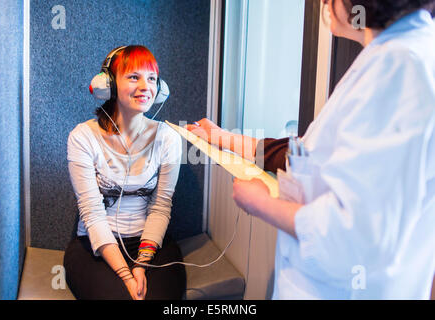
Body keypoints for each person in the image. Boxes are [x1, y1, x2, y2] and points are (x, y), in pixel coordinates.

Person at [187, 0, 435, 299]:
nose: (323, 5)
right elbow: (302, 156)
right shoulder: (396, 57)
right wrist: (222, 137)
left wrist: (262, 203)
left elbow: (354, 234)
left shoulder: (399, 68)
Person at [64, 45, 186, 300]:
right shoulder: (83, 137)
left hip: (150, 245)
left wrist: (141, 265)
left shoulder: (168, 138)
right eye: (134, 77)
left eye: (151, 78)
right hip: (96, 247)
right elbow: (91, 212)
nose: (146, 86)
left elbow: (161, 207)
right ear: (108, 85)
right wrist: (126, 276)